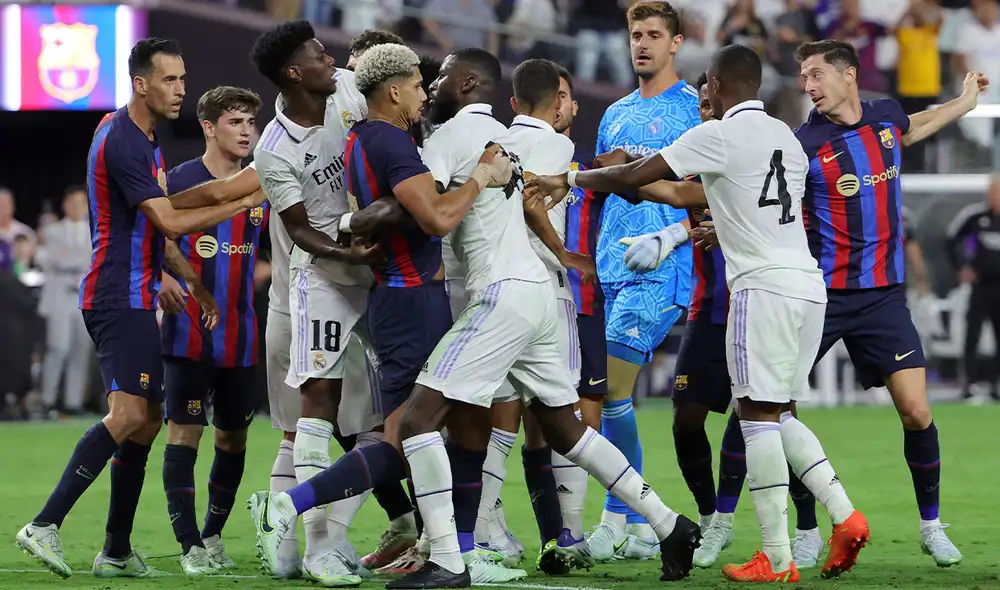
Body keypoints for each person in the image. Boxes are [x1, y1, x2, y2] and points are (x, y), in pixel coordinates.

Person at [248, 46, 704, 590]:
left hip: (498, 296)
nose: (428, 89)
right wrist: (560, 249)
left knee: (415, 423)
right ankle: (668, 524)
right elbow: (525, 197)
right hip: (539, 295)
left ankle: (441, 557)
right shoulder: (516, 135)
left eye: (435, 79)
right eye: (421, 81)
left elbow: (421, 209)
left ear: (463, 84)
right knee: (564, 428)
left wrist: (346, 222)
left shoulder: (442, 139)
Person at [526, 43, 872, 584]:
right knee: (778, 413)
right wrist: (692, 221)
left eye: (707, 83)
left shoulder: (718, 134)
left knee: (755, 418)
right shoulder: (785, 135)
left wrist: (567, 179)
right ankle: (845, 515)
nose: (702, 91)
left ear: (719, 83)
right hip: (807, 287)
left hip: (759, 290)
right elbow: (705, 191)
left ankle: (777, 559)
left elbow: (634, 176)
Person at [15, 37, 265, 579]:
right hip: (116, 296)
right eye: (170, 80)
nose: (181, 90)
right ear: (140, 83)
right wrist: (244, 199)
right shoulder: (125, 142)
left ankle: (118, 549)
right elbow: (169, 223)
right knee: (130, 415)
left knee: (147, 423)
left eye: (182, 78)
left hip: (132, 293)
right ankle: (44, 524)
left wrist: (196, 276)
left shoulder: (142, 137)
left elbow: (172, 203)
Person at [794, 39, 987, 566]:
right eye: (804, 77)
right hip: (821, 295)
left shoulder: (884, 117)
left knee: (918, 411)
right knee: (780, 411)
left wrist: (965, 104)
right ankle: (808, 531)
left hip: (882, 297)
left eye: (816, 75)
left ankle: (931, 526)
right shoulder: (802, 142)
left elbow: (914, 125)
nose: (808, 86)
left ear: (849, 74)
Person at [249, 21, 415, 583]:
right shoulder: (273, 149)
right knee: (318, 404)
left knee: (400, 406)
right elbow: (299, 229)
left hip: (380, 269)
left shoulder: (349, 89)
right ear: (295, 72)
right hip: (323, 276)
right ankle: (320, 546)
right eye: (318, 54)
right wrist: (353, 249)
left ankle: (402, 529)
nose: (331, 58)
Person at [588, 0, 700, 557]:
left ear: (675, 42)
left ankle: (615, 518)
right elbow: (604, 184)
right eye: (636, 34)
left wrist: (672, 237)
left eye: (654, 34)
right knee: (610, 399)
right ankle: (636, 526)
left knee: (610, 389)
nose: (643, 43)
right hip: (611, 265)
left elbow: (712, 192)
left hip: (661, 267)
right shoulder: (613, 113)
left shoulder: (695, 111)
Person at [157, 85, 265, 575]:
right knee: (185, 434)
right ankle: (189, 547)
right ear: (208, 127)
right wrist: (162, 276)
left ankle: (213, 534)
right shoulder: (179, 182)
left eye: (251, 124)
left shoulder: (262, 182)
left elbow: (272, 249)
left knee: (233, 440)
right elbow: (148, 241)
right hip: (187, 333)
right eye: (235, 123)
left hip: (242, 335)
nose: (246, 132)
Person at [36, 186, 95, 417]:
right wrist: (76, 261)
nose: (77, 208)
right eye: (73, 203)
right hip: (59, 295)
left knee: (81, 348)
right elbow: (49, 259)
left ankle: (74, 401)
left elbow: (91, 260)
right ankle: (47, 399)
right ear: (65, 205)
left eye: (81, 203)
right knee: (58, 347)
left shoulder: (94, 230)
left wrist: (72, 260)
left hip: (83, 296)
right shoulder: (53, 231)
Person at [946, 175, 1000, 402]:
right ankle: (968, 384)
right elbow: (951, 240)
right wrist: (962, 267)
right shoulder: (975, 217)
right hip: (981, 288)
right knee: (972, 337)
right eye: (994, 192)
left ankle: (996, 386)